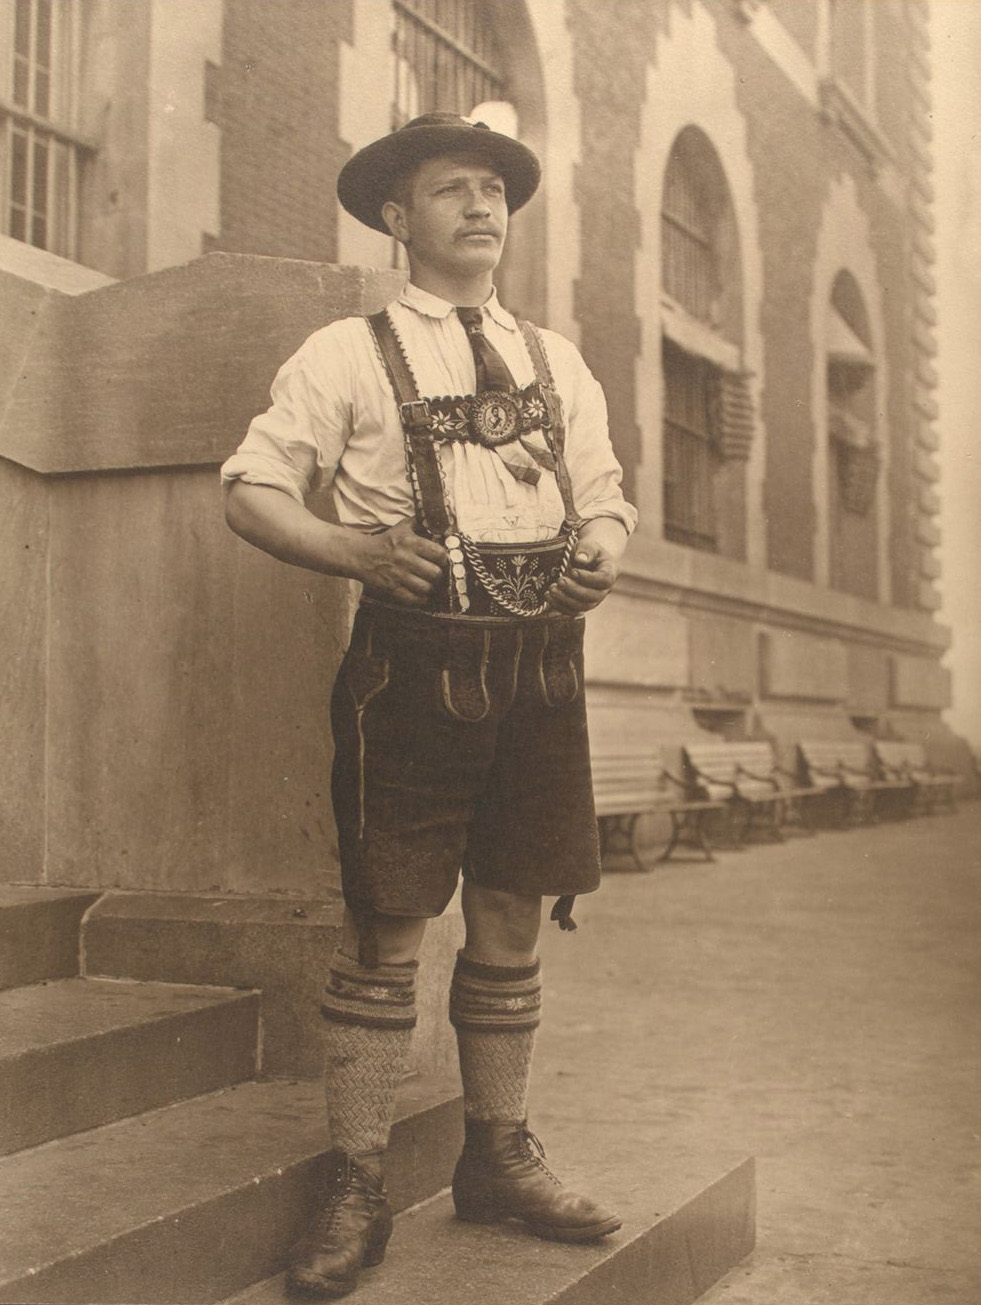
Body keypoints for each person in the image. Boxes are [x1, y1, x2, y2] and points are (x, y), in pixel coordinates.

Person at [221, 112, 638, 1300]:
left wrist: (600, 546)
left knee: (510, 914)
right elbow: (250, 491)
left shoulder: (558, 362)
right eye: (453, 190)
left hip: (543, 674)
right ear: (398, 219)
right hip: (410, 673)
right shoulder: (343, 353)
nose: (481, 207)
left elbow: (608, 495)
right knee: (391, 924)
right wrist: (354, 552)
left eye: (495, 190)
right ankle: (356, 1176)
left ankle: (498, 1155)